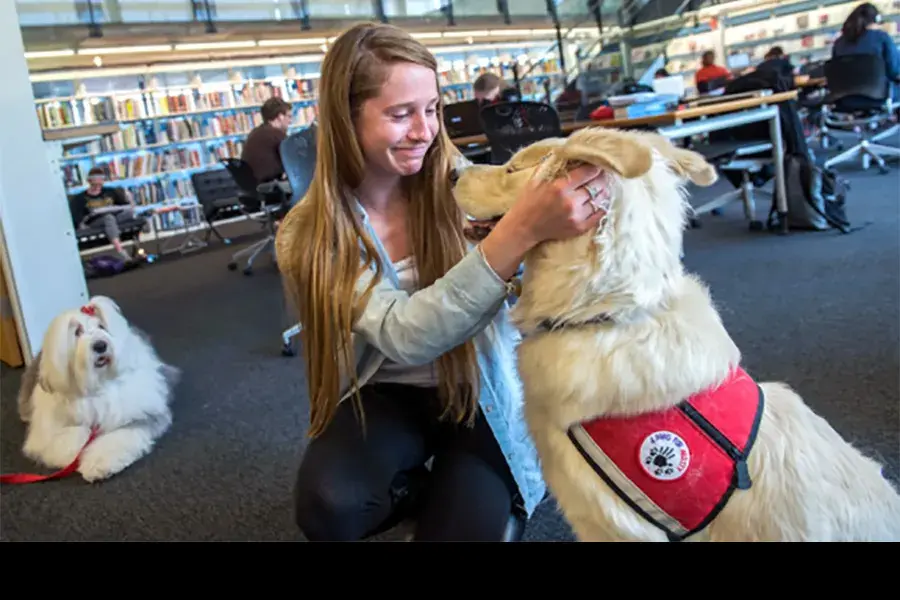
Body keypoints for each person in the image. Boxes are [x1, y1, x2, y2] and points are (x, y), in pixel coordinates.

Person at [275, 22, 608, 542]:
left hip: (480, 389)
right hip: (388, 390)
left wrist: (565, 200)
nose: (424, 131)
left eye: (431, 109)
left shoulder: (458, 179)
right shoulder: (309, 231)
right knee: (329, 507)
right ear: (345, 117)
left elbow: (530, 211)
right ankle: (442, 493)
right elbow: (406, 334)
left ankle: (483, 490)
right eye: (400, 114)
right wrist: (517, 233)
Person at [831, 2, 900, 108]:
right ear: (876, 20)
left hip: (844, 100)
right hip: (879, 97)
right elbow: (894, 71)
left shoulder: (838, 43)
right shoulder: (881, 37)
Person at [69, 167, 138, 261]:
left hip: (113, 218)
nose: (98, 186)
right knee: (108, 218)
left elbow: (123, 205)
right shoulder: (81, 198)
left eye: (100, 183)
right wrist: (81, 225)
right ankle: (121, 251)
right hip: (94, 221)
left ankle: (118, 231)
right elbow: (76, 216)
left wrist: (130, 200)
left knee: (129, 212)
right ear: (89, 181)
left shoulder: (110, 191)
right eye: (95, 184)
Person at [240, 97, 293, 183]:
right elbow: (295, 158)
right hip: (270, 186)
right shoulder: (276, 134)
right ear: (280, 117)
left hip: (253, 186)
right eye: (289, 116)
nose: (290, 121)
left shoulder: (256, 132)